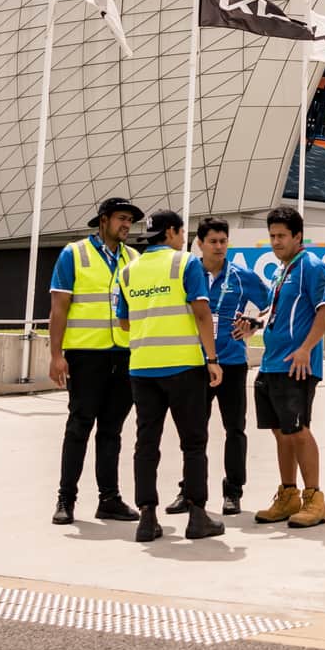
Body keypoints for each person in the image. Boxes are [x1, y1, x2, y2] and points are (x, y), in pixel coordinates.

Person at [117, 208, 224, 541]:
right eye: (181, 233)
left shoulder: (130, 270)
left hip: (142, 367)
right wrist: (212, 358)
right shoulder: (186, 263)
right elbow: (202, 313)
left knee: (145, 443)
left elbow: (123, 320)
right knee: (193, 442)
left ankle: (147, 518)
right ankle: (197, 515)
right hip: (183, 366)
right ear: (174, 232)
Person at [236, 204, 325, 529]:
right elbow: (275, 311)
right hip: (271, 364)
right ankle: (288, 495)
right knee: (281, 433)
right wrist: (255, 323)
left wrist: (307, 349)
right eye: (272, 236)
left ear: (298, 236)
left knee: (299, 431)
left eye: (281, 236)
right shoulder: (283, 269)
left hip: (296, 365)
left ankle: (315, 499)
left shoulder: (311, 266)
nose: (276, 242)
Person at [48, 196, 144, 526]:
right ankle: (65, 499)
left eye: (130, 220)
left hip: (123, 354)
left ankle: (110, 500)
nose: (126, 225)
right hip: (85, 356)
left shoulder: (133, 258)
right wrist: (55, 355)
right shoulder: (73, 254)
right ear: (103, 219)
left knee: (112, 431)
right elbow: (58, 308)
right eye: (121, 218)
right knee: (79, 426)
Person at [165, 217, 270, 518]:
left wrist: (253, 323)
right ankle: (189, 491)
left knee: (234, 429)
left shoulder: (241, 276)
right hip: (194, 362)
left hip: (232, 363)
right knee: (193, 432)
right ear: (199, 243)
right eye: (213, 241)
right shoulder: (187, 273)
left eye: (223, 241)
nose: (220, 246)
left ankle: (233, 493)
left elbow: (268, 304)